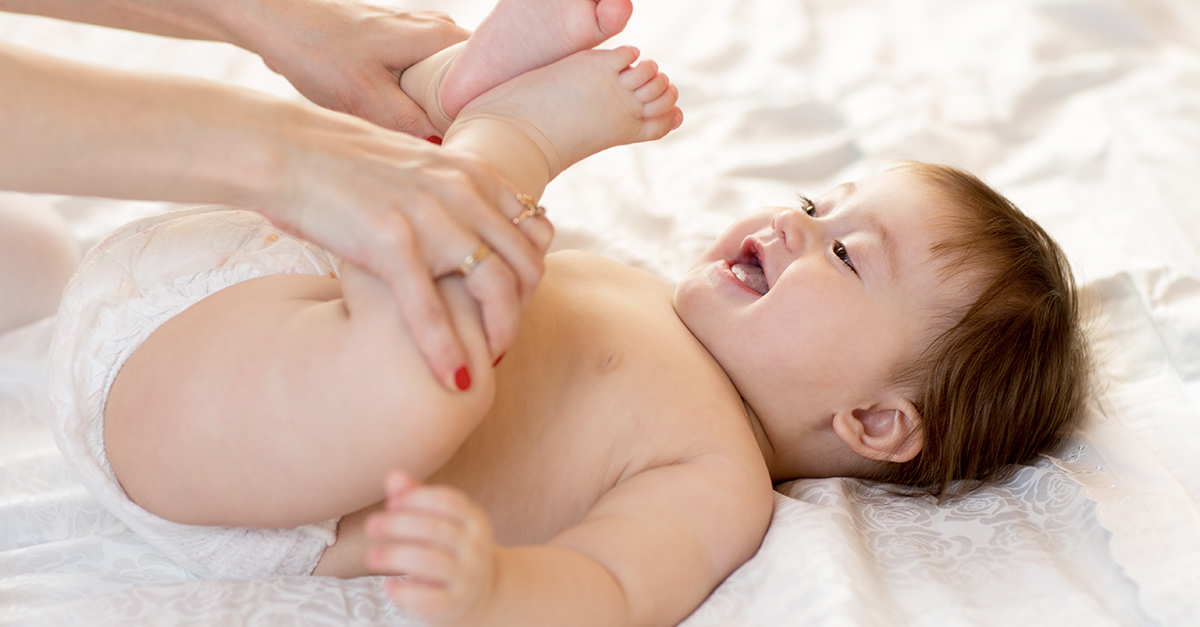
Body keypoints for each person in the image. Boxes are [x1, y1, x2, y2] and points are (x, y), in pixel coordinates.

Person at [45, 1, 1088, 626]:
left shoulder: (717, 481)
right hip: (236, 289)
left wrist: (496, 587)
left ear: (874, 421)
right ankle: (457, 98)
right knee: (449, 237)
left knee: (442, 364)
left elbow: (608, 588)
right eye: (818, 203)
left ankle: (504, 127)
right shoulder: (641, 291)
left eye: (846, 253)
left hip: (238, 445)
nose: (791, 221)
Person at [0, 0, 637, 389]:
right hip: (167, 383)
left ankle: (444, 92)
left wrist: (285, 19)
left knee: (31, 261)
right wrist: (292, 156)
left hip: (156, 330)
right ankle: (507, 129)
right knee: (407, 373)